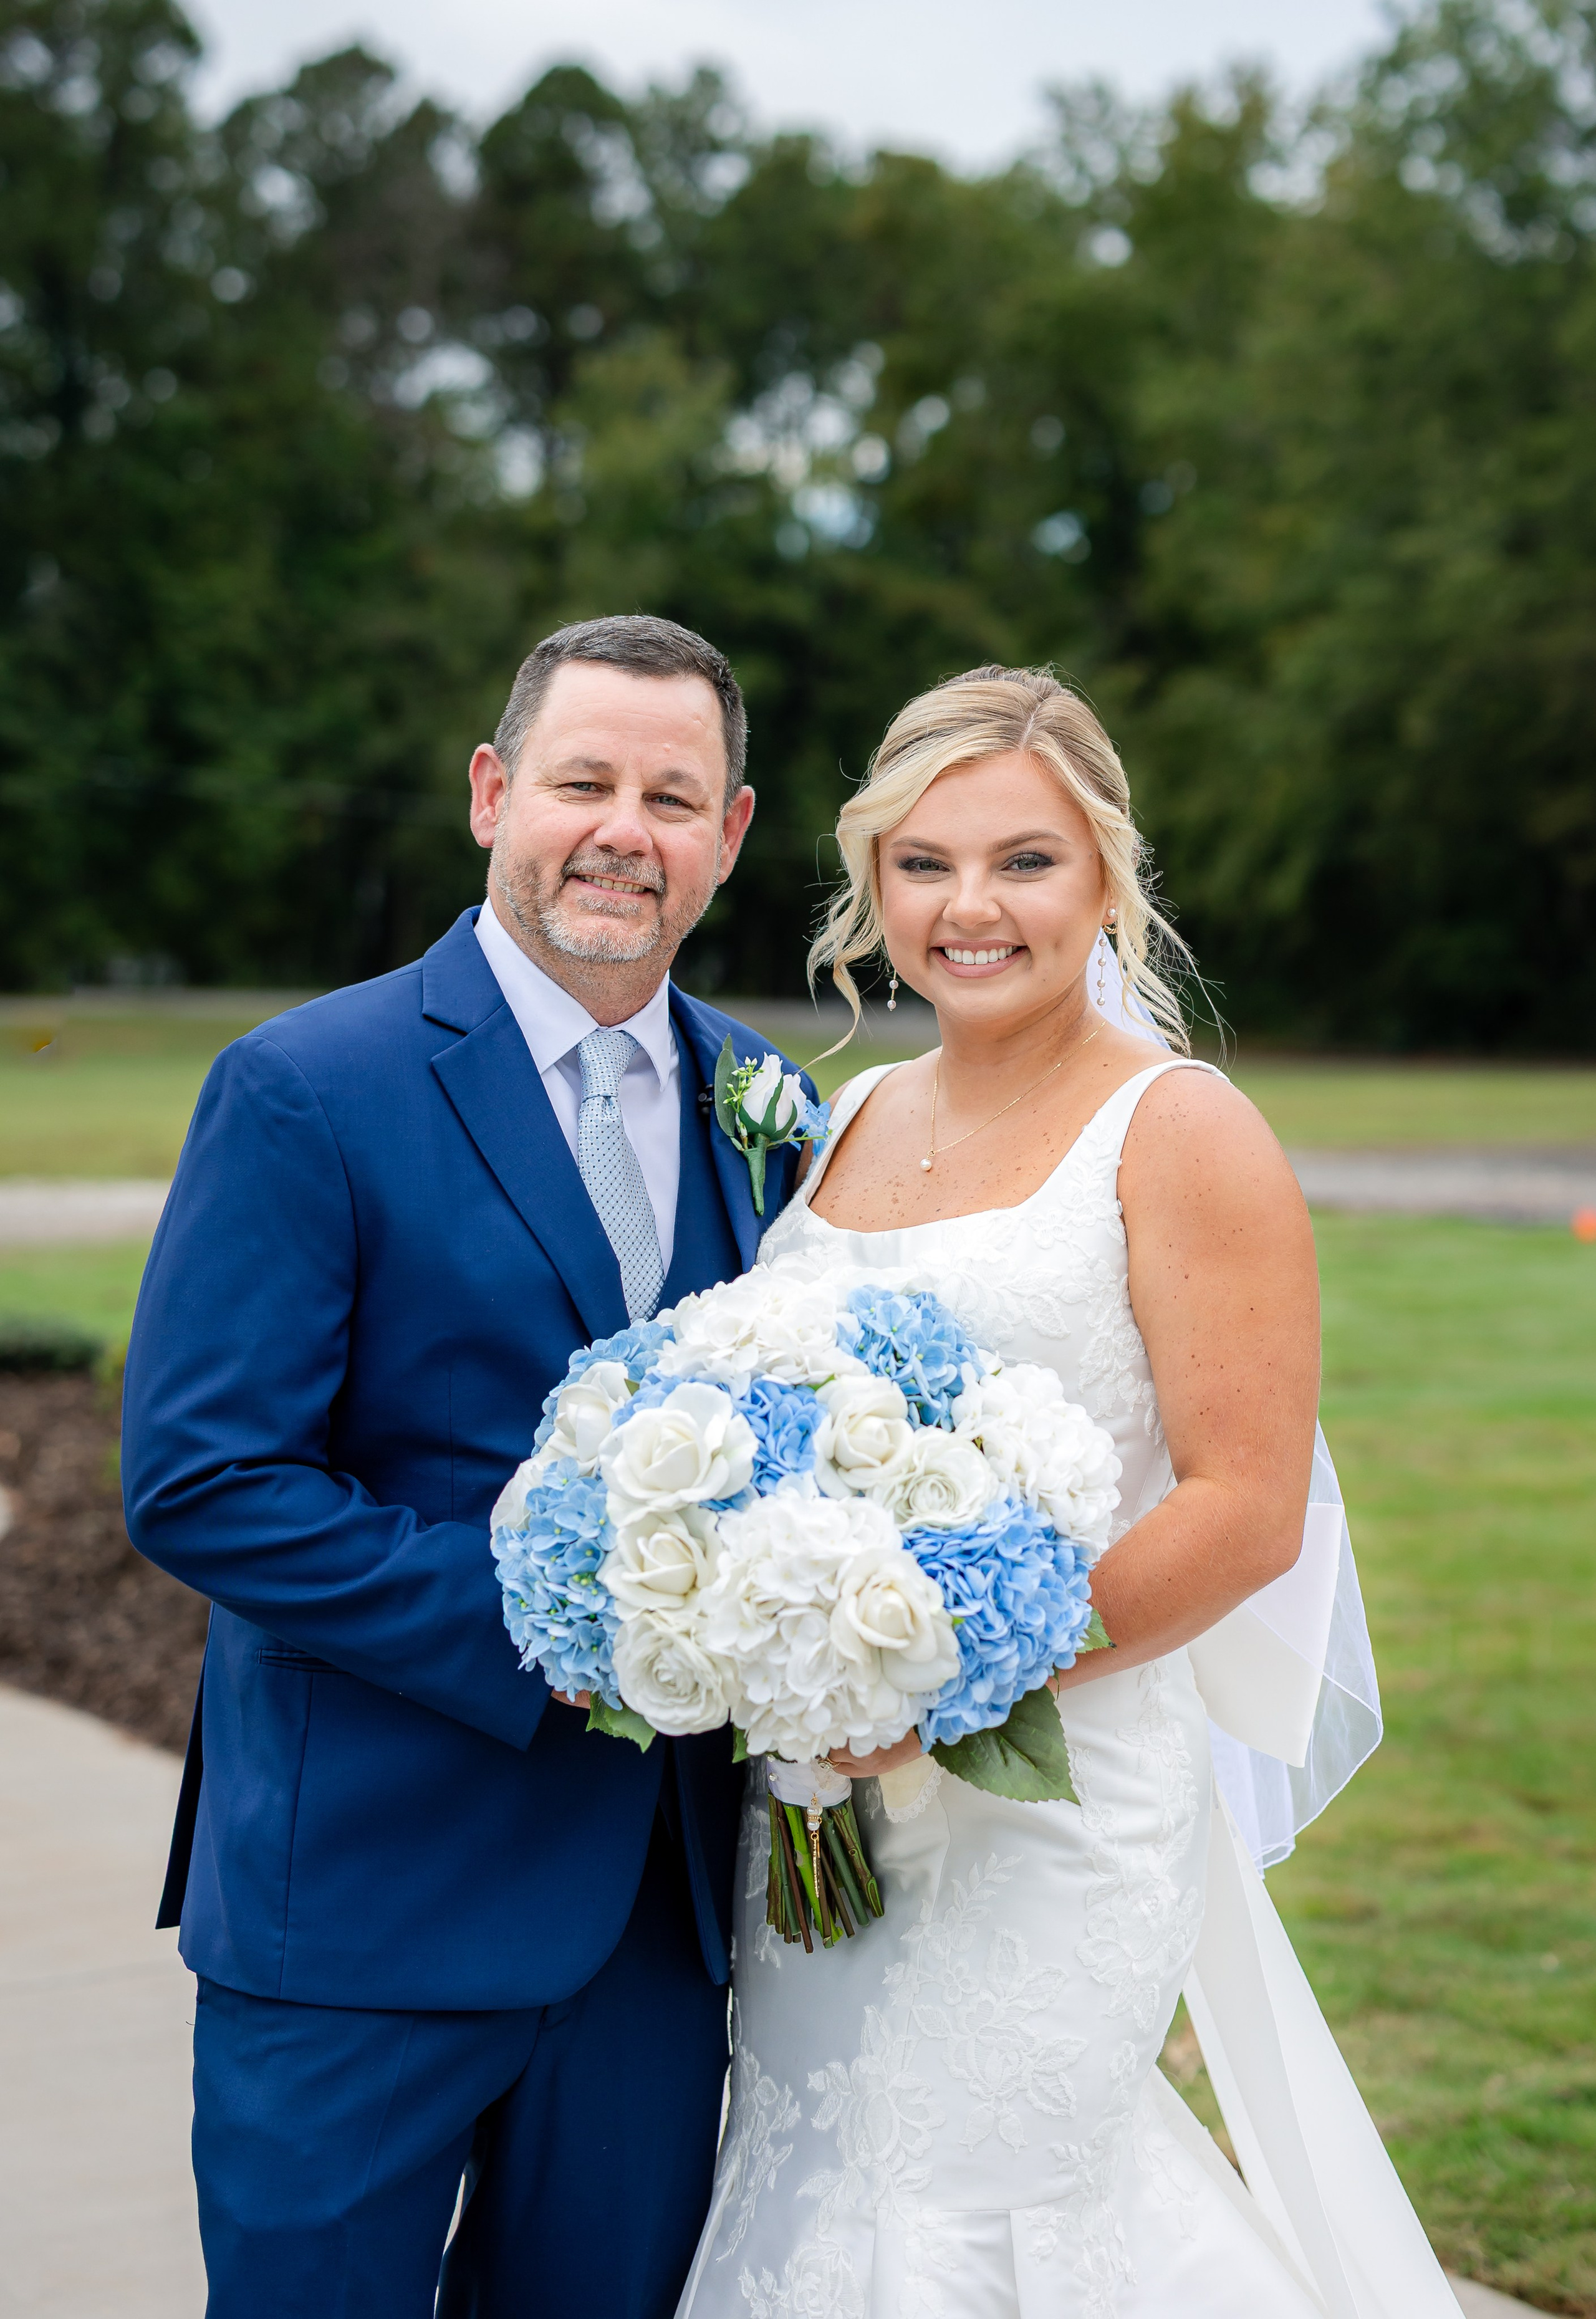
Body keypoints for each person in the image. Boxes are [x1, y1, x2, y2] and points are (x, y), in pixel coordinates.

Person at [675, 666, 1461, 2318]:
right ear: (871, 881)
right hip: (826, 1796)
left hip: (1061, 1797)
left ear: (1107, 875)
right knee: (819, 2162)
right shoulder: (854, 1117)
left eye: (1025, 862)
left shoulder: (1181, 1131)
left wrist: (939, 1682)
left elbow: (1245, 1509)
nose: (972, 908)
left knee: (988, 2195)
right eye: (926, 864)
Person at [122, 615, 817, 2318]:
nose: (623, 831)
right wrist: (577, 1631)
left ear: (727, 839)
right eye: (585, 780)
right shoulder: (308, 1087)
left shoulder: (775, 1106)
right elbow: (207, 1479)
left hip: (656, 1931)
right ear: (495, 793)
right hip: (364, 1908)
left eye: (675, 796)